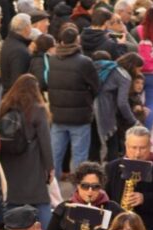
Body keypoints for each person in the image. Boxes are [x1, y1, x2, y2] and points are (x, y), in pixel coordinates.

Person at [0, 73, 54, 228]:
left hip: (9, 161)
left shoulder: (5, 106)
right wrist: (50, 167)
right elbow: (45, 141)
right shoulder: (38, 109)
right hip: (32, 163)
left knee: (13, 201)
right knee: (41, 202)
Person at [48, 25, 100, 178]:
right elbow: (96, 86)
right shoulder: (84, 62)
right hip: (80, 116)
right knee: (80, 156)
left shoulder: (52, 60)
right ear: (77, 40)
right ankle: (79, 190)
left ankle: (53, 189)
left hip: (57, 114)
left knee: (55, 154)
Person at [47, 161, 122, 230]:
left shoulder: (113, 209)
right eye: (85, 186)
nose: (90, 191)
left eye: (95, 187)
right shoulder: (64, 208)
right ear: (77, 185)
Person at [92, 51, 142, 161]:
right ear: (133, 66)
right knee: (112, 143)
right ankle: (112, 173)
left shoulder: (110, 68)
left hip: (91, 107)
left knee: (94, 143)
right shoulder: (124, 76)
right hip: (106, 110)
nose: (139, 72)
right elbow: (122, 103)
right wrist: (133, 120)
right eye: (139, 68)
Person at [0, 13, 33, 94]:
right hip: (14, 98)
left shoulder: (9, 42)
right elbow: (18, 81)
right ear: (26, 28)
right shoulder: (20, 51)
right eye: (30, 25)